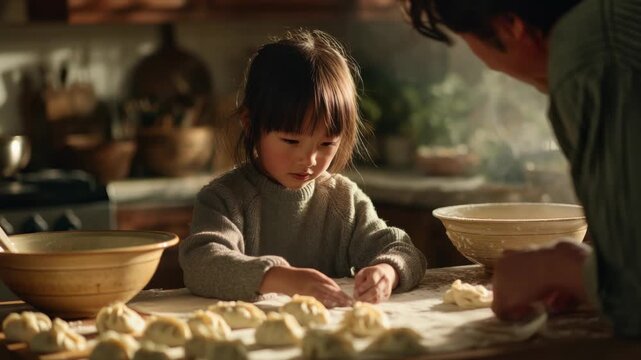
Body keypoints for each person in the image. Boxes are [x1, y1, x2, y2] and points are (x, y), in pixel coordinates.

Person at [404, 0, 641, 337]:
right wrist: (582, 268)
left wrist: (552, 268)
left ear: (510, 26)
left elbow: (633, 291)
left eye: (469, 41)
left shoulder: (591, 55)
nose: (488, 66)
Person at [179, 29, 427, 308]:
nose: (309, 160)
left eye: (326, 144)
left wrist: (387, 271)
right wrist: (282, 278)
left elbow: (405, 251)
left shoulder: (343, 200)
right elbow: (201, 263)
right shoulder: (225, 198)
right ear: (250, 124)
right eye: (291, 140)